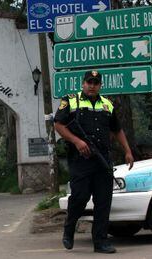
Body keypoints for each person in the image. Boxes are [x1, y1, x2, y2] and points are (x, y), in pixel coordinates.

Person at [54, 70, 134, 254]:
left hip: (102, 159)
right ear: (83, 83)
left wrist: (127, 151)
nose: (92, 85)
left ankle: (100, 242)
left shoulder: (107, 104)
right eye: (89, 82)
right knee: (80, 197)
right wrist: (77, 141)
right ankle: (69, 227)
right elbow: (58, 124)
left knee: (103, 201)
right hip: (80, 159)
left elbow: (117, 129)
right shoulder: (71, 100)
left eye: (96, 83)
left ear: (100, 86)